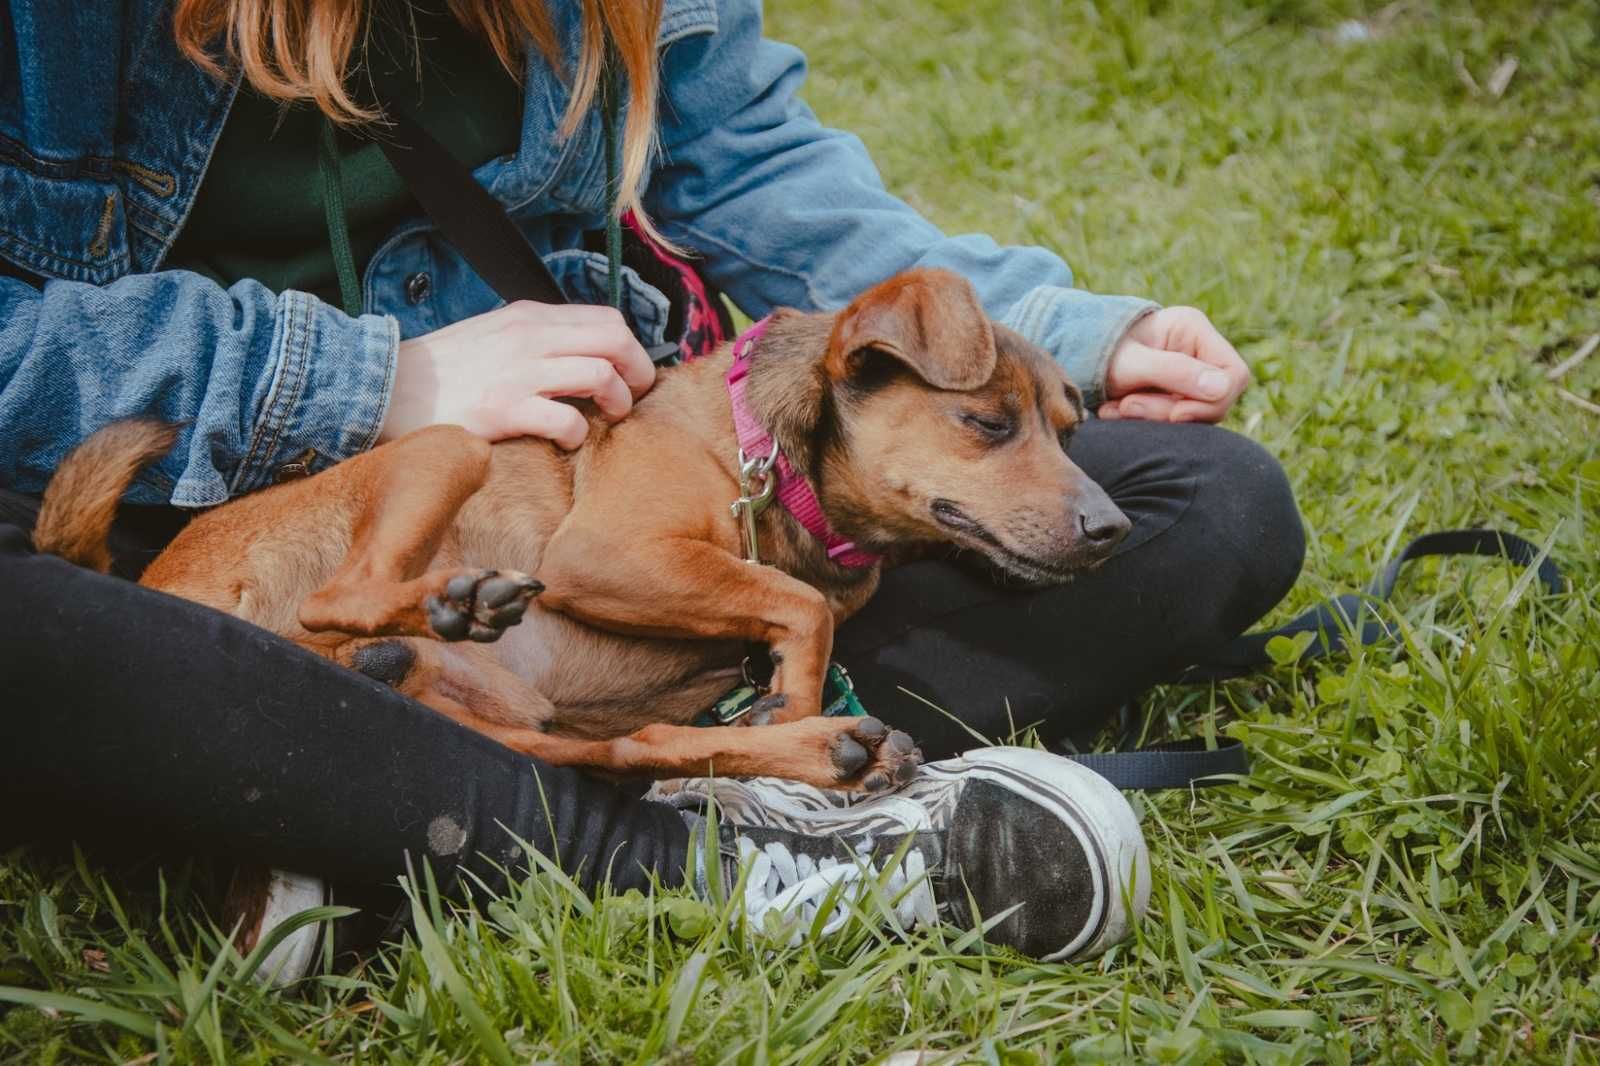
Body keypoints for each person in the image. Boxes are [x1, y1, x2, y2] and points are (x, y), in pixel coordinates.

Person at [0, 0, 1304, 972]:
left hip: (592, 530)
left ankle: (384, 827)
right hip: (186, 568)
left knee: (1206, 504)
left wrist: (1043, 333)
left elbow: (742, 154)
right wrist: (362, 380)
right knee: (35, 632)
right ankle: (704, 851)